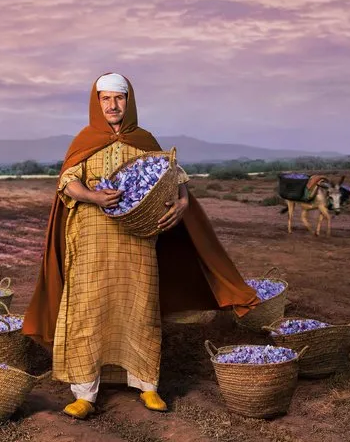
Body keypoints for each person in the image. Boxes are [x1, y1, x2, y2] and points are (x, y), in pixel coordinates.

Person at [22, 72, 260, 420]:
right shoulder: (85, 139)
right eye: (106, 99)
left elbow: (173, 175)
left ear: (129, 102)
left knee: (141, 307)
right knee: (89, 309)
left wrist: (182, 202)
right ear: (97, 102)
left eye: (119, 98)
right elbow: (67, 182)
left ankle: (147, 385)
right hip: (91, 240)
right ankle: (85, 392)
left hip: (137, 239)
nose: (113, 105)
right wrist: (93, 196)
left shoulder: (144, 140)